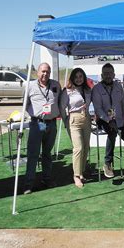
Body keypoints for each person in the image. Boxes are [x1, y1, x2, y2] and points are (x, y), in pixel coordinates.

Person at [91, 63, 124, 178]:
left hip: (119, 120)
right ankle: (108, 164)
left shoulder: (118, 86)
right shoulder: (97, 89)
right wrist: (108, 120)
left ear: (114, 74)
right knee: (112, 132)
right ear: (102, 75)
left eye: (110, 73)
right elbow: (98, 109)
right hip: (104, 120)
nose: (108, 75)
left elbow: (123, 104)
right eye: (105, 73)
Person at [24, 62, 61, 194]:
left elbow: (59, 101)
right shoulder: (30, 86)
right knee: (33, 154)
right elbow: (25, 104)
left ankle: (47, 179)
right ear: (37, 72)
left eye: (48, 71)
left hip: (52, 123)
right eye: (43, 71)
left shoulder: (56, 85)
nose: (45, 74)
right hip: (37, 123)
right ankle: (28, 183)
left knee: (47, 154)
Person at [60, 68, 92, 188]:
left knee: (86, 147)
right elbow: (62, 108)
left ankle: (81, 171)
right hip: (73, 120)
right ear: (72, 78)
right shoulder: (67, 91)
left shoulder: (88, 90)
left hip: (86, 119)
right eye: (76, 77)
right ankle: (76, 176)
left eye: (81, 76)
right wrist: (66, 121)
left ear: (84, 77)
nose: (78, 79)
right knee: (78, 148)